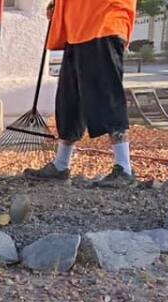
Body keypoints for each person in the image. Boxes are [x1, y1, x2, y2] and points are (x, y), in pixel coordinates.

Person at [22, 0, 139, 187]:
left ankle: (124, 168)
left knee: (107, 97)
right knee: (69, 100)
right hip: (77, 29)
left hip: (104, 23)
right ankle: (61, 166)